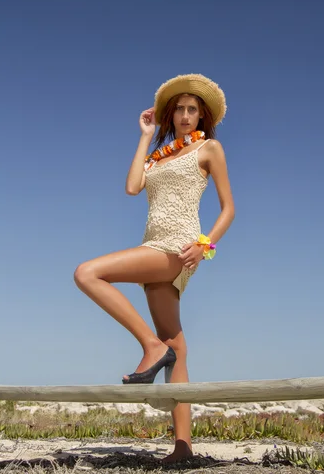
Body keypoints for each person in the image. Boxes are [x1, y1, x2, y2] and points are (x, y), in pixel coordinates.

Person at [74, 73, 235, 463]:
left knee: (87, 273)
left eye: (191, 109)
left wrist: (204, 247)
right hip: (153, 244)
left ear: (202, 116)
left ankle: (150, 346)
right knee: (177, 347)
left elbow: (229, 209)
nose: (184, 115)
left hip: (177, 247)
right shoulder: (160, 154)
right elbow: (132, 187)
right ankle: (183, 448)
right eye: (178, 109)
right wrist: (146, 135)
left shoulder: (209, 148)